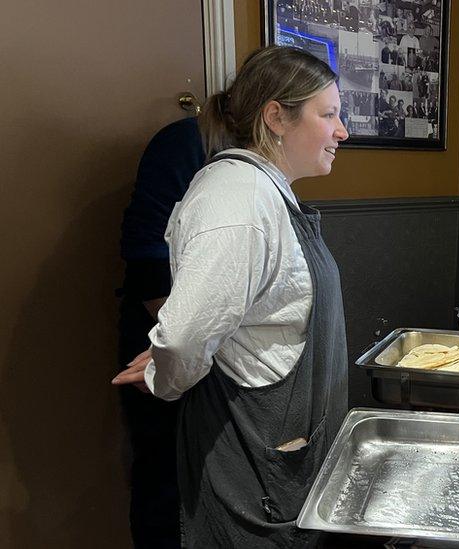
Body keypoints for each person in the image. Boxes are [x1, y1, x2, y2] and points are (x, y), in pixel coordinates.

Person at [112, 46, 350, 547]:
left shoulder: (268, 191)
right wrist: (163, 372)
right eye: (328, 115)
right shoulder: (236, 200)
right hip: (253, 449)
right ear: (276, 117)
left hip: (284, 448)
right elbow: (183, 339)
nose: (341, 131)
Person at [117, 117, 205, 548]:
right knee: (165, 472)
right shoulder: (186, 143)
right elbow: (148, 260)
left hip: (205, 341)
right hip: (161, 331)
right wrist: (175, 342)